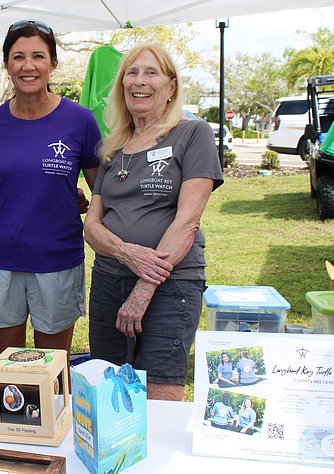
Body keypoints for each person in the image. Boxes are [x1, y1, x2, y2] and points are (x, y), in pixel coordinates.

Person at [84, 43, 223, 401]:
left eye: (151, 72)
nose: (139, 81)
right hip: (109, 282)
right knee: (110, 390)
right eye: (131, 73)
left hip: (169, 285)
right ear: (122, 85)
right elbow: (92, 226)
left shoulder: (193, 134)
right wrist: (125, 252)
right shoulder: (113, 148)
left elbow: (187, 222)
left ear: (171, 86)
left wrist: (143, 289)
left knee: (161, 390)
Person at [0, 20, 101, 360]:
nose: (27, 66)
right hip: (1, 258)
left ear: (52, 63)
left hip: (57, 259)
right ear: (7, 65)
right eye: (18, 57)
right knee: (8, 369)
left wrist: (72, 199)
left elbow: (101, 190)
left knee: (53, 370)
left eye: (38, 56)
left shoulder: (80, 120)